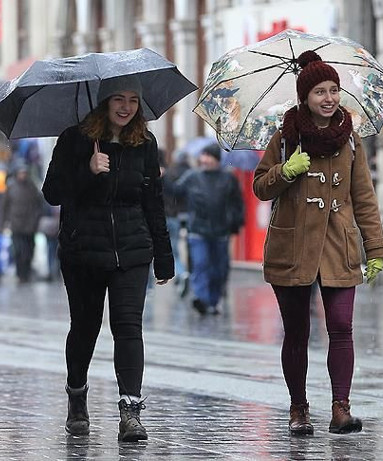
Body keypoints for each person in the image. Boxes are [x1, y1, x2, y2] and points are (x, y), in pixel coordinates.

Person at [252, 50, 383, 436]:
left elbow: (364, 199)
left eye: (333, 90)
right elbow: (261, 187)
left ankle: (341, 407)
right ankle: (298, 408)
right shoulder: (284, 139)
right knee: (297, 331)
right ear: (305, 97)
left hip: (337, 246)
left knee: (342, 326)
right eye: (320, 92)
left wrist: (376, 249)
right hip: (292, 247)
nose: (329, 98)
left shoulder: (351, 141)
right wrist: (285, 170)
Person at [41, 74, 174, 441]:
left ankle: (130, 412)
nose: (126, 107)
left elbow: (153, 201)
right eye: (118, 98)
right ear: (104, 102)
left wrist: (164, 256)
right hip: (83, 251)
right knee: (85, 327)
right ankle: (77, 397)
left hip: (132, 250)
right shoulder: (74, 139)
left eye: (133, 100)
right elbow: (52, 193)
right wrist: (87, 171)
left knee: (128, 327)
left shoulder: (145, 143)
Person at [171, 143, 244, 315]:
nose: (204, 159)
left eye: (208, 156)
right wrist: (161, 177)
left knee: (218, 269)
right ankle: (201, 299)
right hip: (198, 230)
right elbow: (175, 191)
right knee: (200, 264)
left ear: (216, 159)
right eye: (203, 155)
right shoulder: (192, 176)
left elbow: (237, 203)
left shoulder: (228, 179)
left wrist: (235, 223)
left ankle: (213, 301)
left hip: (221, 231)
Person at [3, 165, 45, 283]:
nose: (23, 175)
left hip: (30, 226)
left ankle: (26, 273)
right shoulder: (11, 188)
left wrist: (36, 219)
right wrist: (5, 221)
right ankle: (20, 273)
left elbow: (39, 205)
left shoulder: (32, 187)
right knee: (18, 251)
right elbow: (4, 206)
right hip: (16, 225)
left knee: (28, 251)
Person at [162, 149, 192, 296]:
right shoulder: (191, 173)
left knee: (171, 250)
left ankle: (181, 273)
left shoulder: (168, 174)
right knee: (178, 249)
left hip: (167, 216)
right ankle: (182, 273)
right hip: (179, 215)